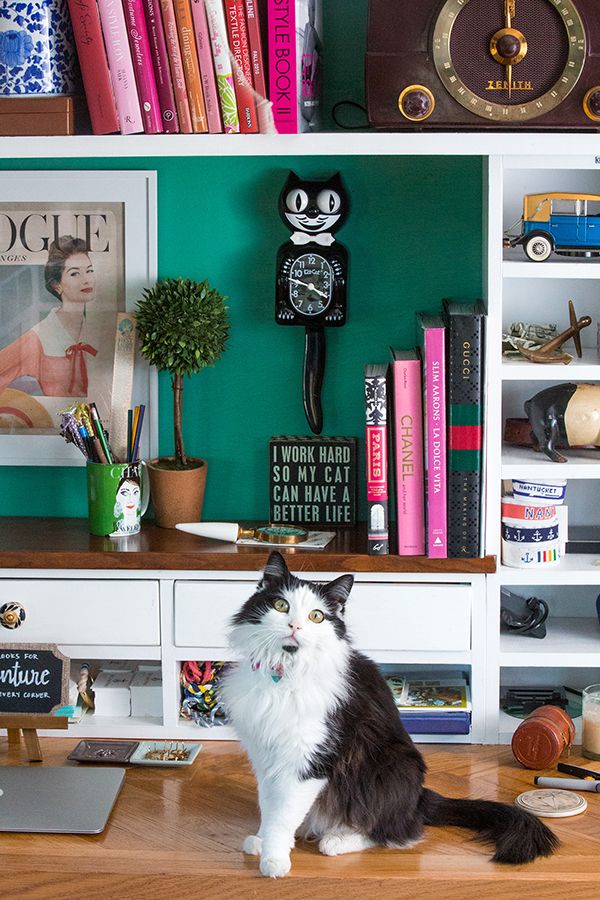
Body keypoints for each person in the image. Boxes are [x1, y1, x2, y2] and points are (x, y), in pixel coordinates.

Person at [0, 235, 98, 399]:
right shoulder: (37, 338)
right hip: (57, 423)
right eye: (75, 274)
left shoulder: (100, 329)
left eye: (89, 271)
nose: (86, 279)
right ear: (57, 285)